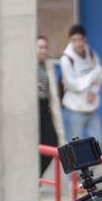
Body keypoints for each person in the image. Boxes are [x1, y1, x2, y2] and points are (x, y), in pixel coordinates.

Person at [59, 24, 102, 147]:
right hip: (74, 109)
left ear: (85, 39)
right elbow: (73, 85)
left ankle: (90, 168)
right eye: (74, 40)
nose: (78, 43)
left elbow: (100, 74)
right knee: (74, 146)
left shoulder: (91, 54)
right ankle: (76, 168)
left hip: (91, 107)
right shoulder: (66, 59)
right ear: (70, 41)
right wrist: (92, 76)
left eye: (80, 40)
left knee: (98, 142)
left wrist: (94, 91)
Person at [36, 36, 66, 178]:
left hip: (45, 108)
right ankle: (32, 178)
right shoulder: (27, 65)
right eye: (40, 47)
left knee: (52, 143)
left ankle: (36, 175)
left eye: (45, 47)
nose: (43, 50)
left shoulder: (48, 66)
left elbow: (52, 92)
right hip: (31, 109)